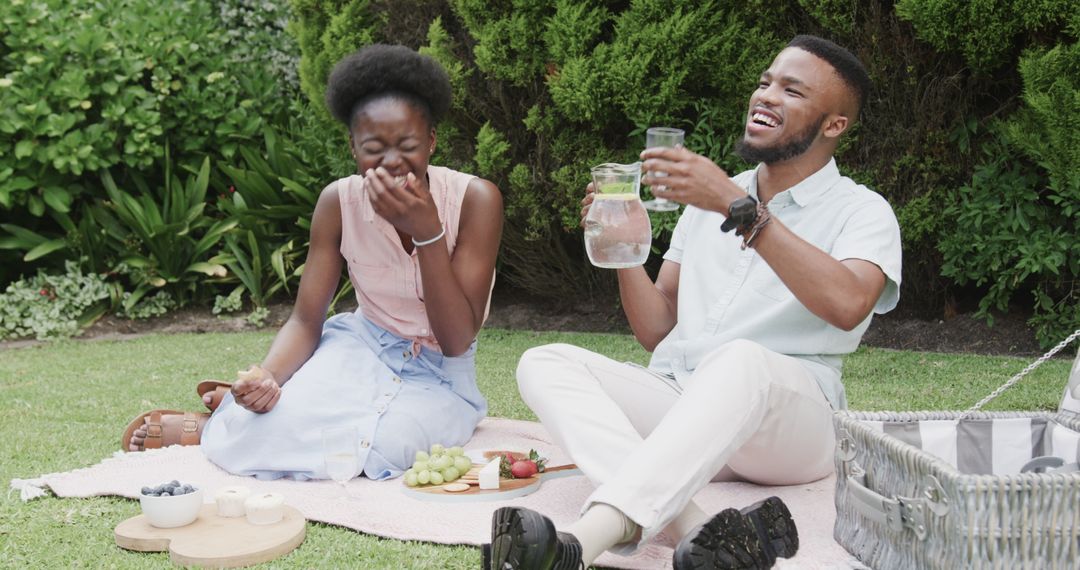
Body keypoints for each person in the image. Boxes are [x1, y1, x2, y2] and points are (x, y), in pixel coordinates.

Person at [487, 35, 901, 569]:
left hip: (794, 425)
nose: (767, 96)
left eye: (791, 90)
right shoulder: (711, 198)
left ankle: (580, 543)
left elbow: (848, 304)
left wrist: (739, 207)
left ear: (834, 124)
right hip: (690, 405)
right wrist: (626, 249)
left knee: (740, 357)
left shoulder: (861, 211)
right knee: (544, 361)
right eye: (764, 82)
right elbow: (660, 330)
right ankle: (704, 532)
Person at [121, 44, 504, 482]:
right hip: (362, 347)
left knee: (385, 448)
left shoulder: (476, 199)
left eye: (408, 145)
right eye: (373, 148)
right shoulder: (338, 202)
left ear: (432, 140)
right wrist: (267, 377)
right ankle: (229, 417)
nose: (392, 163)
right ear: (353, 147)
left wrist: (427, 231)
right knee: (266, 423)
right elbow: (306, 320)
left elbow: (456, 340)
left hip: (440, 373)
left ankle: (224, 420)